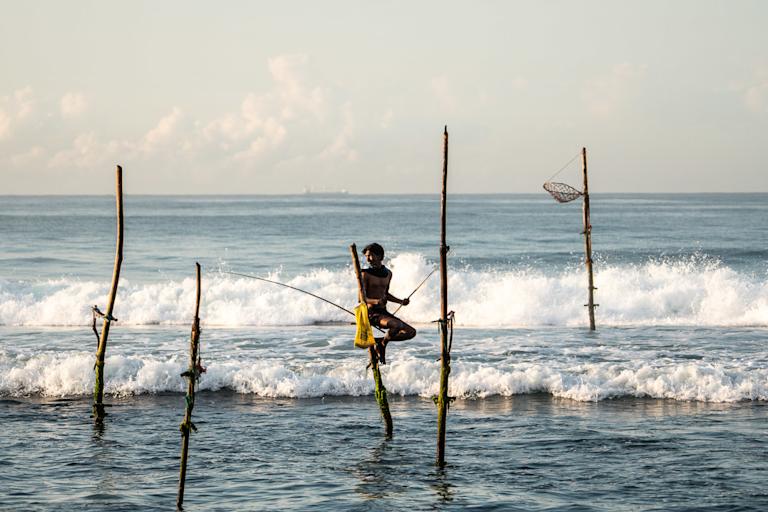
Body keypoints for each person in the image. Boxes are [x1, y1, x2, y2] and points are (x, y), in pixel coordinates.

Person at [361, 243, 416, 364]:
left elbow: (386, 294)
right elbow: (361, 299)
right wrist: (376, 301)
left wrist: (401, 301)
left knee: (411, 332)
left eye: (370, 256)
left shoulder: (388, 273)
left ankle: (380, 341)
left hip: (383, 313)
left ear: (380, 256)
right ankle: (382, 344)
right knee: (396, 325)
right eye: (366, 256)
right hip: (371, 313)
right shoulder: (365, 274)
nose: (368, 259)